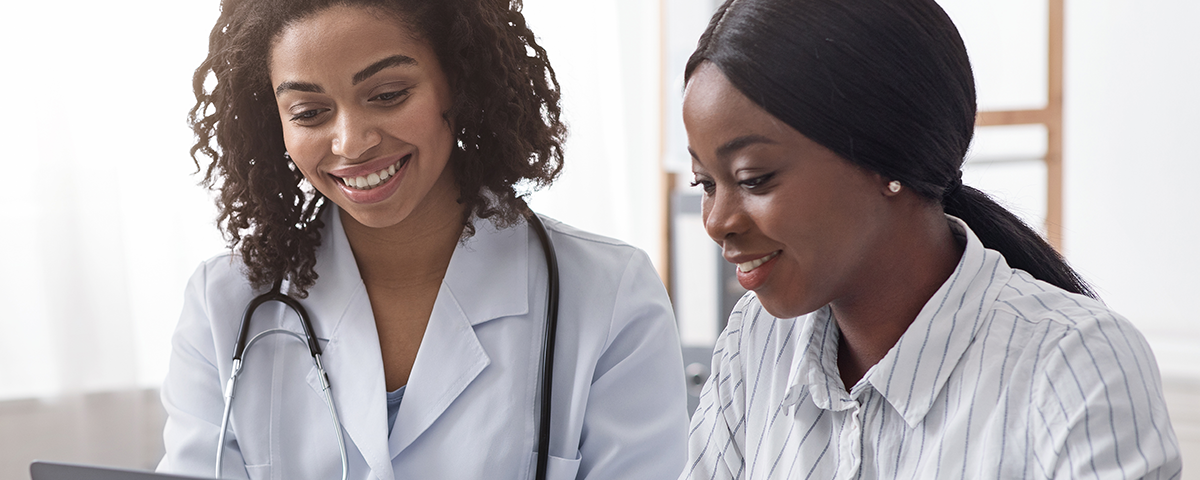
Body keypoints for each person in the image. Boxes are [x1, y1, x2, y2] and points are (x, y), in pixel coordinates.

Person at [157, 0, 689, 478]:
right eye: (310, 113)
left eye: (387, 95)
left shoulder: (609, 293)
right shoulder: (223, 305)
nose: (352, 142)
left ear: (458, 81)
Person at [678, 0, 1182, 478]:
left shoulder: (1076, 366)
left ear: (885, 159)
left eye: (753, 178)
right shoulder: (756, 340)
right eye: (705, 183)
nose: (717, 221)